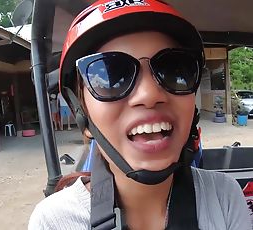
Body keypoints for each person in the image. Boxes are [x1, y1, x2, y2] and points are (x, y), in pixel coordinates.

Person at [29, 0, 251, 229]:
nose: (149, 94)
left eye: (174, 70)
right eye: (111, 76)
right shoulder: (55, 221)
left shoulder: (224, 198)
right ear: (81, 112)